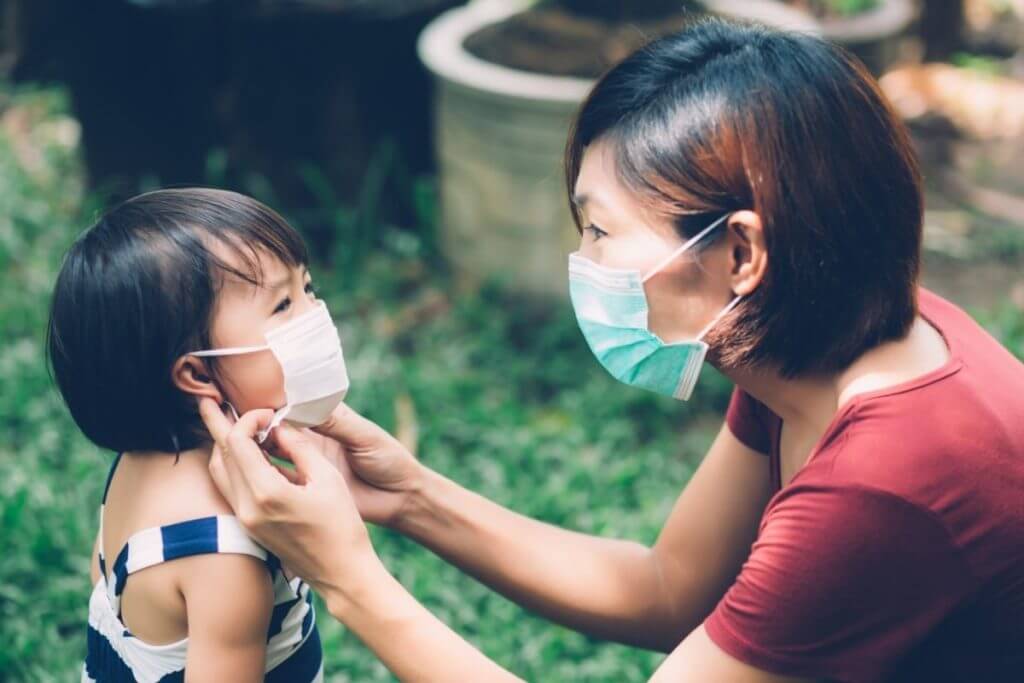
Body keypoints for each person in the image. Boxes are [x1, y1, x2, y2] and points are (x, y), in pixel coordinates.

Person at [201, 18, 1024, 683]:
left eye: (600, 229)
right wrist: (409, 495)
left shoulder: (883, 484)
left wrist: (349, 577)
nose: (583, 261)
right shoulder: (828, 342)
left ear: (741, 255)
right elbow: (667, 586)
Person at [47, 188, 342, 681]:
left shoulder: (137, 461)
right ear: (198, 376)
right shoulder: (224, 555)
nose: (317, 315)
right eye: (284, 305)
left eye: (307, 288)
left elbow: (103, 576)